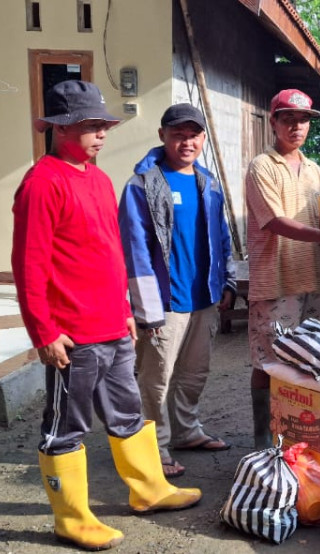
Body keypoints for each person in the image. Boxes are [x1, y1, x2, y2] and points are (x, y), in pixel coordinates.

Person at [12, 80, 200, 551]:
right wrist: (44, 331)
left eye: (103, 125)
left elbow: (110, 253)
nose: (101, 134)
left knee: (129, 411)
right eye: (90, 125)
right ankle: (71, 518)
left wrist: (126, 310)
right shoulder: (41, 184)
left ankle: (148, 489)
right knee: (66, 427)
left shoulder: (97, 178)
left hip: (113, 327)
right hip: (71, 336)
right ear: (59, 129)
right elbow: (29, 265)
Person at [118, 103, 236, 480]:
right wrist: (145, 307)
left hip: (203, 297)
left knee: (193, 372)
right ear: (162, 136)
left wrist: (227, 281)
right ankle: (155, 445)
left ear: (203, 138)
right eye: (178, 134)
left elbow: (222, 236)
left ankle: (186, 431)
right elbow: (134, 249)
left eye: (193, 134)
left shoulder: (208, 182)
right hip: (165, 301)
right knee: (157, 377)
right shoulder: (142, 184)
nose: (187, 142)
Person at [244, 89, 320, 448]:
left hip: (313, 279)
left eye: (303, 119)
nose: (296, 126)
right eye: (288, 118)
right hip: (275, 279)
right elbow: (274, 221)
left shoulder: (314, 170)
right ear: (273, 121)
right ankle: (264, 440)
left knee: (311, 358)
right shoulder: (261, 166)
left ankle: (296, 433)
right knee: (268, 361)